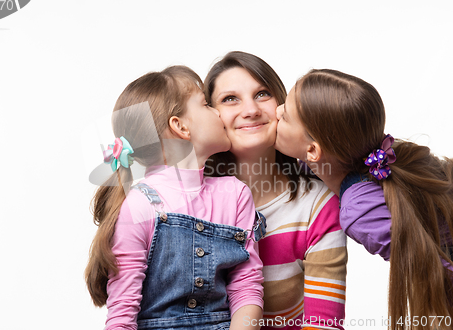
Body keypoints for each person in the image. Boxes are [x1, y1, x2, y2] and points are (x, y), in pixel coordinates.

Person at [85, 65, 265, 330]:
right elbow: (122, 316)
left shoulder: (236, 194)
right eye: (205, 105)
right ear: (180, 127)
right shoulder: (140, 204)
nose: (217, 111)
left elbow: (246, 287)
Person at [275, 68, 453, 329]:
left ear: (313, 150)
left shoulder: (359, 214)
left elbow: (432, 270)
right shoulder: (341, 158)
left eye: (286, 116)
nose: (277, 110)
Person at [204, 52, 347, 330]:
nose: (251, 110)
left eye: (262, 94)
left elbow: (323, 325)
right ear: (211, 114)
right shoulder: (186, 204)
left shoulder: (318, 206)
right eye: (230, 99)